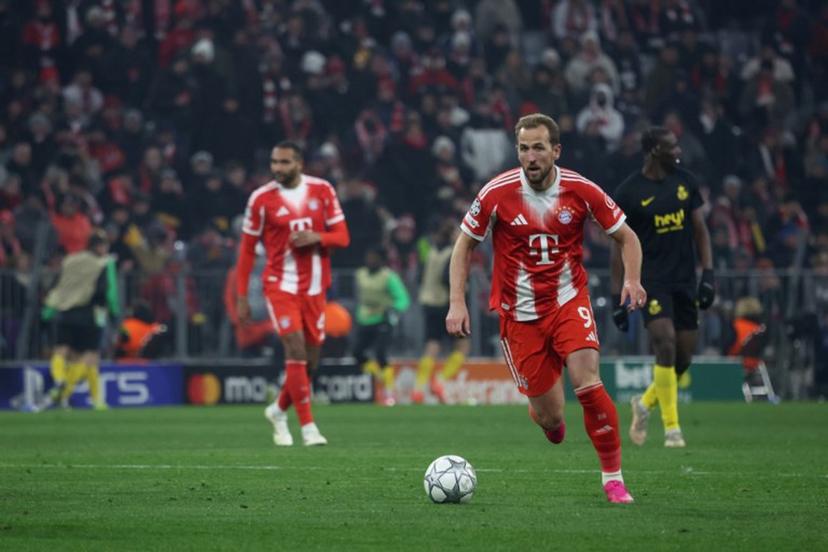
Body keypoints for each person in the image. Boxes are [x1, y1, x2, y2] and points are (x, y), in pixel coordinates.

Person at [446, 113, 646, 504]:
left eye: (539, 148)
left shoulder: (581, 190)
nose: (531, 156)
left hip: (569, 301)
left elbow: (628, 237)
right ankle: (546, 418)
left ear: (556, 150)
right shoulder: (495, 193)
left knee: (587, 383)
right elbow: (462, 246)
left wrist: (633, 280)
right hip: (518, 316)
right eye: (524, 148)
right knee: (553, 420)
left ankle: (613, 479)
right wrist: (457, 302)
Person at [236, 141, 350, 447]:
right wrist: (242, 295)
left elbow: (343, 237)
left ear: (299, 163)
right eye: (274, 162)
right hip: (279, 285)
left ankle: (277, 410)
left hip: (315, 288)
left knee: (310, 363)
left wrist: (318, 237)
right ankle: (309, 427)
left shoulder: (322, 190)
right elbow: (247, 251)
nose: (277, 168)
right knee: (295, 350)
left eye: (284, 162)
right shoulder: (261, 199)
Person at [610, 126, 714, 448]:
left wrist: (708, 273)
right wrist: (619, 293)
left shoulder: (685, 182)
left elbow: (700, 231)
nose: (677, 150)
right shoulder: (629, 192)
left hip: (684, 279)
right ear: (655, 149)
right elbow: (618, 246)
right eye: (671, 146)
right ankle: (673, 429)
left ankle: (644, 404)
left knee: (682, 359)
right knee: (665, 344)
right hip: (651, 281)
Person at [40, 229, 121, 410]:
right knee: (90, 356)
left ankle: (61, 381)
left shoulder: (70, 260)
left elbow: (57, 287)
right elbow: (110, 292)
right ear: (100, 246)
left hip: (65, 313)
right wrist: (115, 316)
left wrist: (47, 313)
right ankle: (66, 391)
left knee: (61, 351)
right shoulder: (104, 262)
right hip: (91, 313)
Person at [412, 221, 469, 404]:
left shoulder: (430, 251)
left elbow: (419, 276)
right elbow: (448, 279)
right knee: (463, 345)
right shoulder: (452, 252)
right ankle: (440, 381)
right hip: (446, 303)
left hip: (428, 301)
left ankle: (418, 390)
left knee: (432, 345)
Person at [352, 247, 411, 406]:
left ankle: (389, 391)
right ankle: (378, 378)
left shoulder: (389, 277)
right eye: (368, 257)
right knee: (357, 353)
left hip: (383, 321)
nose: (370, 261)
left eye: (374, 258)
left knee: (380, 354)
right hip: (365, 320)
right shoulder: (361, 274)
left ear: (381, 260)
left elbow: (403, 299)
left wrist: (392, 310)